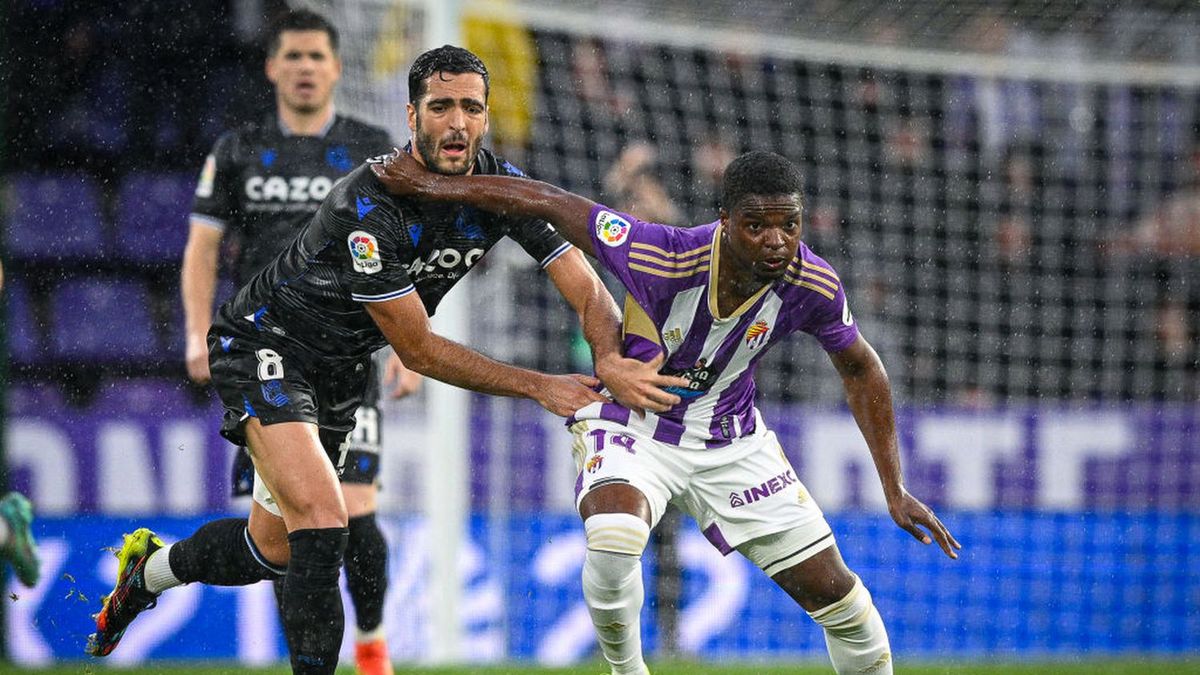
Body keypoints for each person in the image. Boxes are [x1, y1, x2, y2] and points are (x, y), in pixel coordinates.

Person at [87, 45, 681, 675]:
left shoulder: (501, 188)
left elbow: (585, 286)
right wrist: (540, 386)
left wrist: (610, 357)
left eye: (471, 108)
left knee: (272, 551)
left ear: (486, 116)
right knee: (323, 522)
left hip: (342, 370)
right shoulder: (366, 206)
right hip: (265, 344)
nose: (457, 122)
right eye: (441, 106)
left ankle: (146, 573)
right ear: (412, 114)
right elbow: (419, 349)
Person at [372, 149, 962, 675]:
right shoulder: (661, 254)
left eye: (790, 224)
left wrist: (894, 486)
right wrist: (432, 186)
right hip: (635, 425)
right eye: (757, 226)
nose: (777, 241)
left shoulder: (812, 282)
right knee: (613, 538)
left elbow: (862, 368)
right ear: (726, 224)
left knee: (844, 603)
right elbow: (547, 200)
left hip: (732, 440)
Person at [178, 11, 410, 674]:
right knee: (287, 535)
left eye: (317, 56)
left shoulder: (372, 148)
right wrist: (198, 331)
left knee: (355, 512)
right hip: (264, 357)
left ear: (336, 68)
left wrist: (409, 348)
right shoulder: (237, 150)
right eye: (293, 56)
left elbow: (399, 253)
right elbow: (203, 247)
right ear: (272, 67)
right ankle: (306, 660)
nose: (305, 66)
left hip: (347, 353)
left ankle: (370, 643)